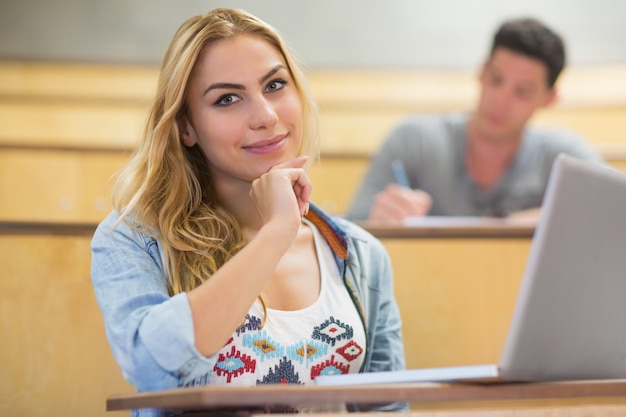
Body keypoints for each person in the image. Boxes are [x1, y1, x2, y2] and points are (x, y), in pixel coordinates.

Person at [90, 7, 406, 416]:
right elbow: (152, 368)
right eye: (227, 99)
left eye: (275, 85)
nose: (265, 116)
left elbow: (387, 406)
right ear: (187, 128)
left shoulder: (360, 253)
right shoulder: (133, 240)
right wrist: (276, 234)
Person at [346, 17, 604, 223]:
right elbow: (346, 235)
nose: (501, 101)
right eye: (496, 79)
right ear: (481, 71)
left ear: (549, 98)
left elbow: (613, 214)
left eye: (522, 92)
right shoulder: (414, 140)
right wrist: (375, 221)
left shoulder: (562, 158)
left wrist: (514, 224)